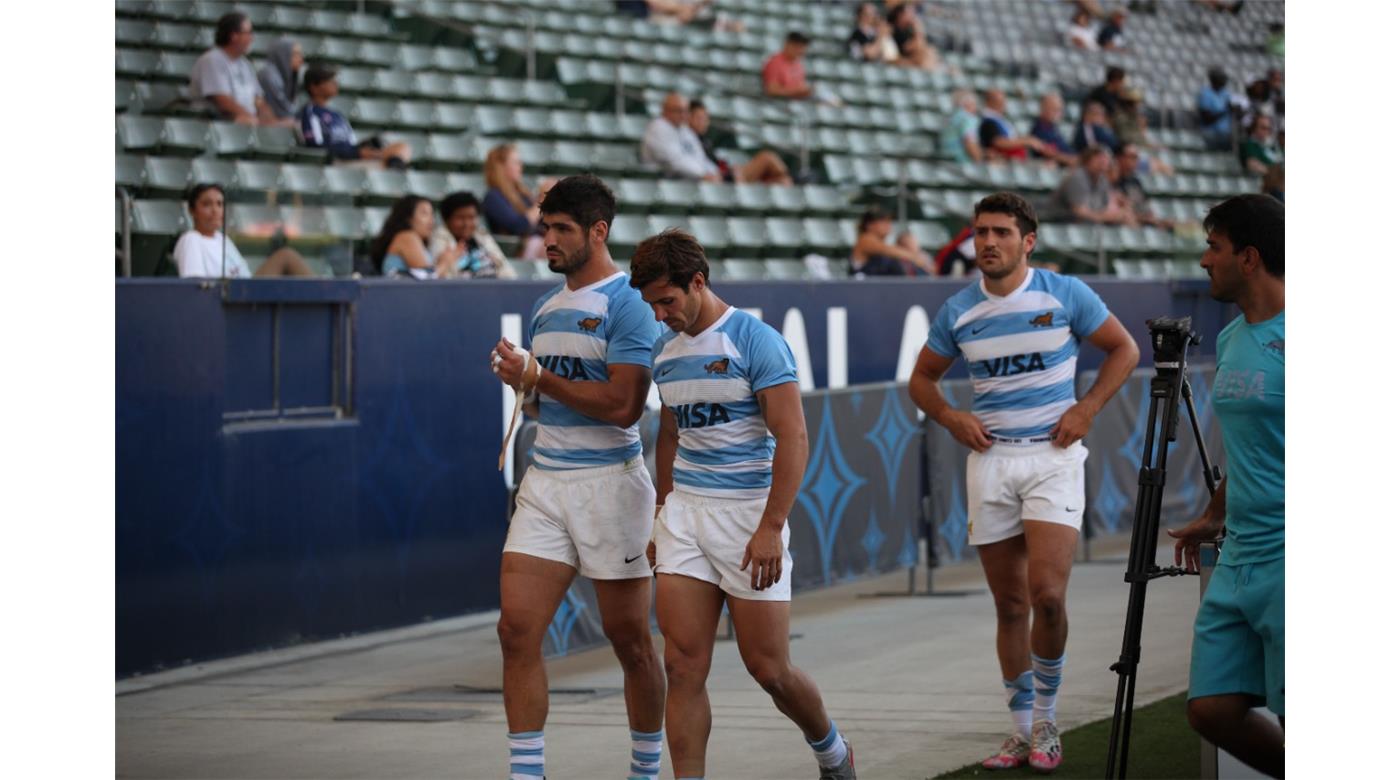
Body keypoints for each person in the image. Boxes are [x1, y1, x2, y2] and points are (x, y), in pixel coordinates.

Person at [908, 192, 1139, 774]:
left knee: (1049, 598)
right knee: (1010, 605)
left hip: (1054, 458)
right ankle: (1019, 731)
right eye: (980, 232)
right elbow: (921, 381)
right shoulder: (959, 310)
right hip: (990, 461)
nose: (988, 242)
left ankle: (1047, 721)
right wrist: (952, 416)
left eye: (1001, 233)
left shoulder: (1064, 293)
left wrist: (1087, 407)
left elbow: (1124, 349)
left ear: (1027, 241)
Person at [629, 228, 857, 780]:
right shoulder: (665, 351)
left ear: (698, 282)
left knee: (769, 668)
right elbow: (670, 433)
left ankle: (833, 752)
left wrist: (771, 526)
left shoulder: (756, 340)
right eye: (651, 304)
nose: (660, 315)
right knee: (682, 667)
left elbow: (794, 437)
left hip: (749, 516)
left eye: (667, 300)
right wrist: (663, 512)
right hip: (686, 515)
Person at [489, 175, 667, 780]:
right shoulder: (545, 307)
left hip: (611, 484)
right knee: (516, 631)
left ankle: (645, 771)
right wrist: (523, 386)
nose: (549, 241)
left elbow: (623, 407)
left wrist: (538, 377)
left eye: (563, 229)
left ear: (599, 231)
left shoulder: (630, 304)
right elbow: (550, 401)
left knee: (630, 642)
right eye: (545, 228)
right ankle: (526, 773)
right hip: (547, 479)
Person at [1166, 194, 1284, 779]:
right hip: (1240, 551)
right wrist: (1217, 511)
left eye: (1214, 247)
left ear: (1250, 257)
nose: (1205, 260)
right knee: (1211, 709)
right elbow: (1252, 449)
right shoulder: (1234, 337)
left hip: (1292, 555)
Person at [174, 183, 313, 278]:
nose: (215, 210)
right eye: (207, 204)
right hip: (225, 303)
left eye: (219, 204)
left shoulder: (222, 239)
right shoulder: (191, 239)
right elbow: (194, 287)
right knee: (286, 256)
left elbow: (243, 274)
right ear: (192, 210)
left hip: (243, 292)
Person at [189, 12, 294, 127]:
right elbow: (223, 101)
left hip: (247, 122)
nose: (252, 38)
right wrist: (253, 119)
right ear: (234, 36)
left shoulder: (245, 64)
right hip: (218, 123)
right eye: (248, 33)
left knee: (290, 124)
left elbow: (258, 100)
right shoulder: (212, 60)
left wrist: (271, 122)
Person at [297, 63, 412, 168]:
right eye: (329, 80)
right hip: (336, 162)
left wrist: (365, 150)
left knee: (401, 147)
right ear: (314, 87)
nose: (335, 83)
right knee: (386, 165)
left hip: (353, 159)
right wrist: (356, 153)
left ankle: (396, 170)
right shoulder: (310, 113)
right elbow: (315, 147)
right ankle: (396, 173)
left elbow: (351, 143)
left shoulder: (337, 115)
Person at [687, 100, 793, 185]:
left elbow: (716, 160)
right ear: (689, 118)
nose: (704, 123)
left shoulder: (704, 140)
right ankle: (794, 178)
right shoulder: (688, 139)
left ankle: (787, 179)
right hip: (718, 178)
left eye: (706, 119)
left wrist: (728, 168)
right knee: (767, 157)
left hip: (725, 174)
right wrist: (725, 172)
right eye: (700, 118)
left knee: (783, 181)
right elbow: (699, 166)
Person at [427, 191, 518, 279]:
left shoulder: (482, 236)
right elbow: (443, 277)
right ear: (446, 219)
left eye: (471, 217)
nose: (467, 224)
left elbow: (506, 270)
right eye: (460, 218)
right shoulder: (440, 238)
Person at [482, 143, 552, 252]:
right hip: (518, 250)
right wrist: (541, 201)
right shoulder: (493, 197)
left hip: (535, 243)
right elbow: (518, 227)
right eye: (515, 163)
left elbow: (542, 223)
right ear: (501, 167)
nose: (520, 166)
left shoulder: (522, 194)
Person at [1046, 146, 1136, 225]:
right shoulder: (1077, 177)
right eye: (1099, 157)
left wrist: (1120, 213)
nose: (1103, 161)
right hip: (1064, 221)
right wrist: (1106, 217)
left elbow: (1104, 206)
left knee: (1125, 217)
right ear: (1088, 160)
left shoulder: (1102, 180)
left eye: (1106, 158)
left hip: (1088, 222)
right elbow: (1079, 212)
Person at [369, 195, 452, 278]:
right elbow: (426, 278)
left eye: (432, 214)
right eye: (424, 213)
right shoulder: (407, 236)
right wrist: (445, 262)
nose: (431, 220)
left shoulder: (412, 239)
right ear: (408, 218)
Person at [850, 208, 935, 276]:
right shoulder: (865, 239)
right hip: (864, 289)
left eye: (889, 221)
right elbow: (888, 250)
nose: (888, 225)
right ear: (869, 225)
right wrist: (916, 258)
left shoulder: (882, 242)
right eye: (883, 221)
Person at [981, 89, 1050, 161]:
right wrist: (1026, 141)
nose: (1003, 104)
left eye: (1003, 101)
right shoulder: (988, 121)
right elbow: (998, 142)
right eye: (998, 102)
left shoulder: (998, 119)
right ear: (989, 102)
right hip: (1004, 160)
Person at [1113, 144, 1171, 229]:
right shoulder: (1112, 180)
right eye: (1132, 157)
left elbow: (1145, 206)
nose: (1135, 160)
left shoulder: (1135, 181)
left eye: (1136, 157)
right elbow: (1119, 211)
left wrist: (1155, 219)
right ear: (1119, 157)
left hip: (1144, 223)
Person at [887, 2, 944, 71]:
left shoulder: (908, 31)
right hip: (901, 61)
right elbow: (914, 47)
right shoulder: (894, 30)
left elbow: (921, 46)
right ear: (900, 15)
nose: (913, 16)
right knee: (927, 55)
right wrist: (918, 29)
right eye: (909, 13)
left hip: (914, 62)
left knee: (930, 53)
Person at [257, 38, 303, 121]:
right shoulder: (268, 75)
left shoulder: (288, 73)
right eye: (295, 54)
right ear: (283, 55)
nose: (301, 59)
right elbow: (281, 110)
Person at [1028, 93, 1078, 167]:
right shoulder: (1039, 129)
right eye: (1054, 109)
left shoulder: (1054, 128)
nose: (1057, 113)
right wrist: (1072, 160)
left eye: (1059, 110)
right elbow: (1049, 153)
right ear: (1043, 108)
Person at [762, 32, 815, 100]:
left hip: (795, 104)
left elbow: (800, 87)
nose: (800, 49)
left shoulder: (799, 65)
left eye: (803, 46)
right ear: (787, 44)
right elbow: (771, 91)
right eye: (796, 45)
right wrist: (795, 92)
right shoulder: (775, 63)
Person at [1197, 68, 1235, 152]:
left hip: (1225, 133)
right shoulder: (1205, 94)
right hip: (1210, 134)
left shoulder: (1225, 93)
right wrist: (1225, 110)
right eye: (1222, 77)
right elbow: (1206, 118)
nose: (1224, 80)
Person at [941, 90, 983, 163]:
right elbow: (969, 142)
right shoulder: (968, 119)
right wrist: (980, 162)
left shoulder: (949, 118)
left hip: (947, 160)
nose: (976, 107)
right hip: (963, 161)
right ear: (967, 104)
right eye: (974, 104)